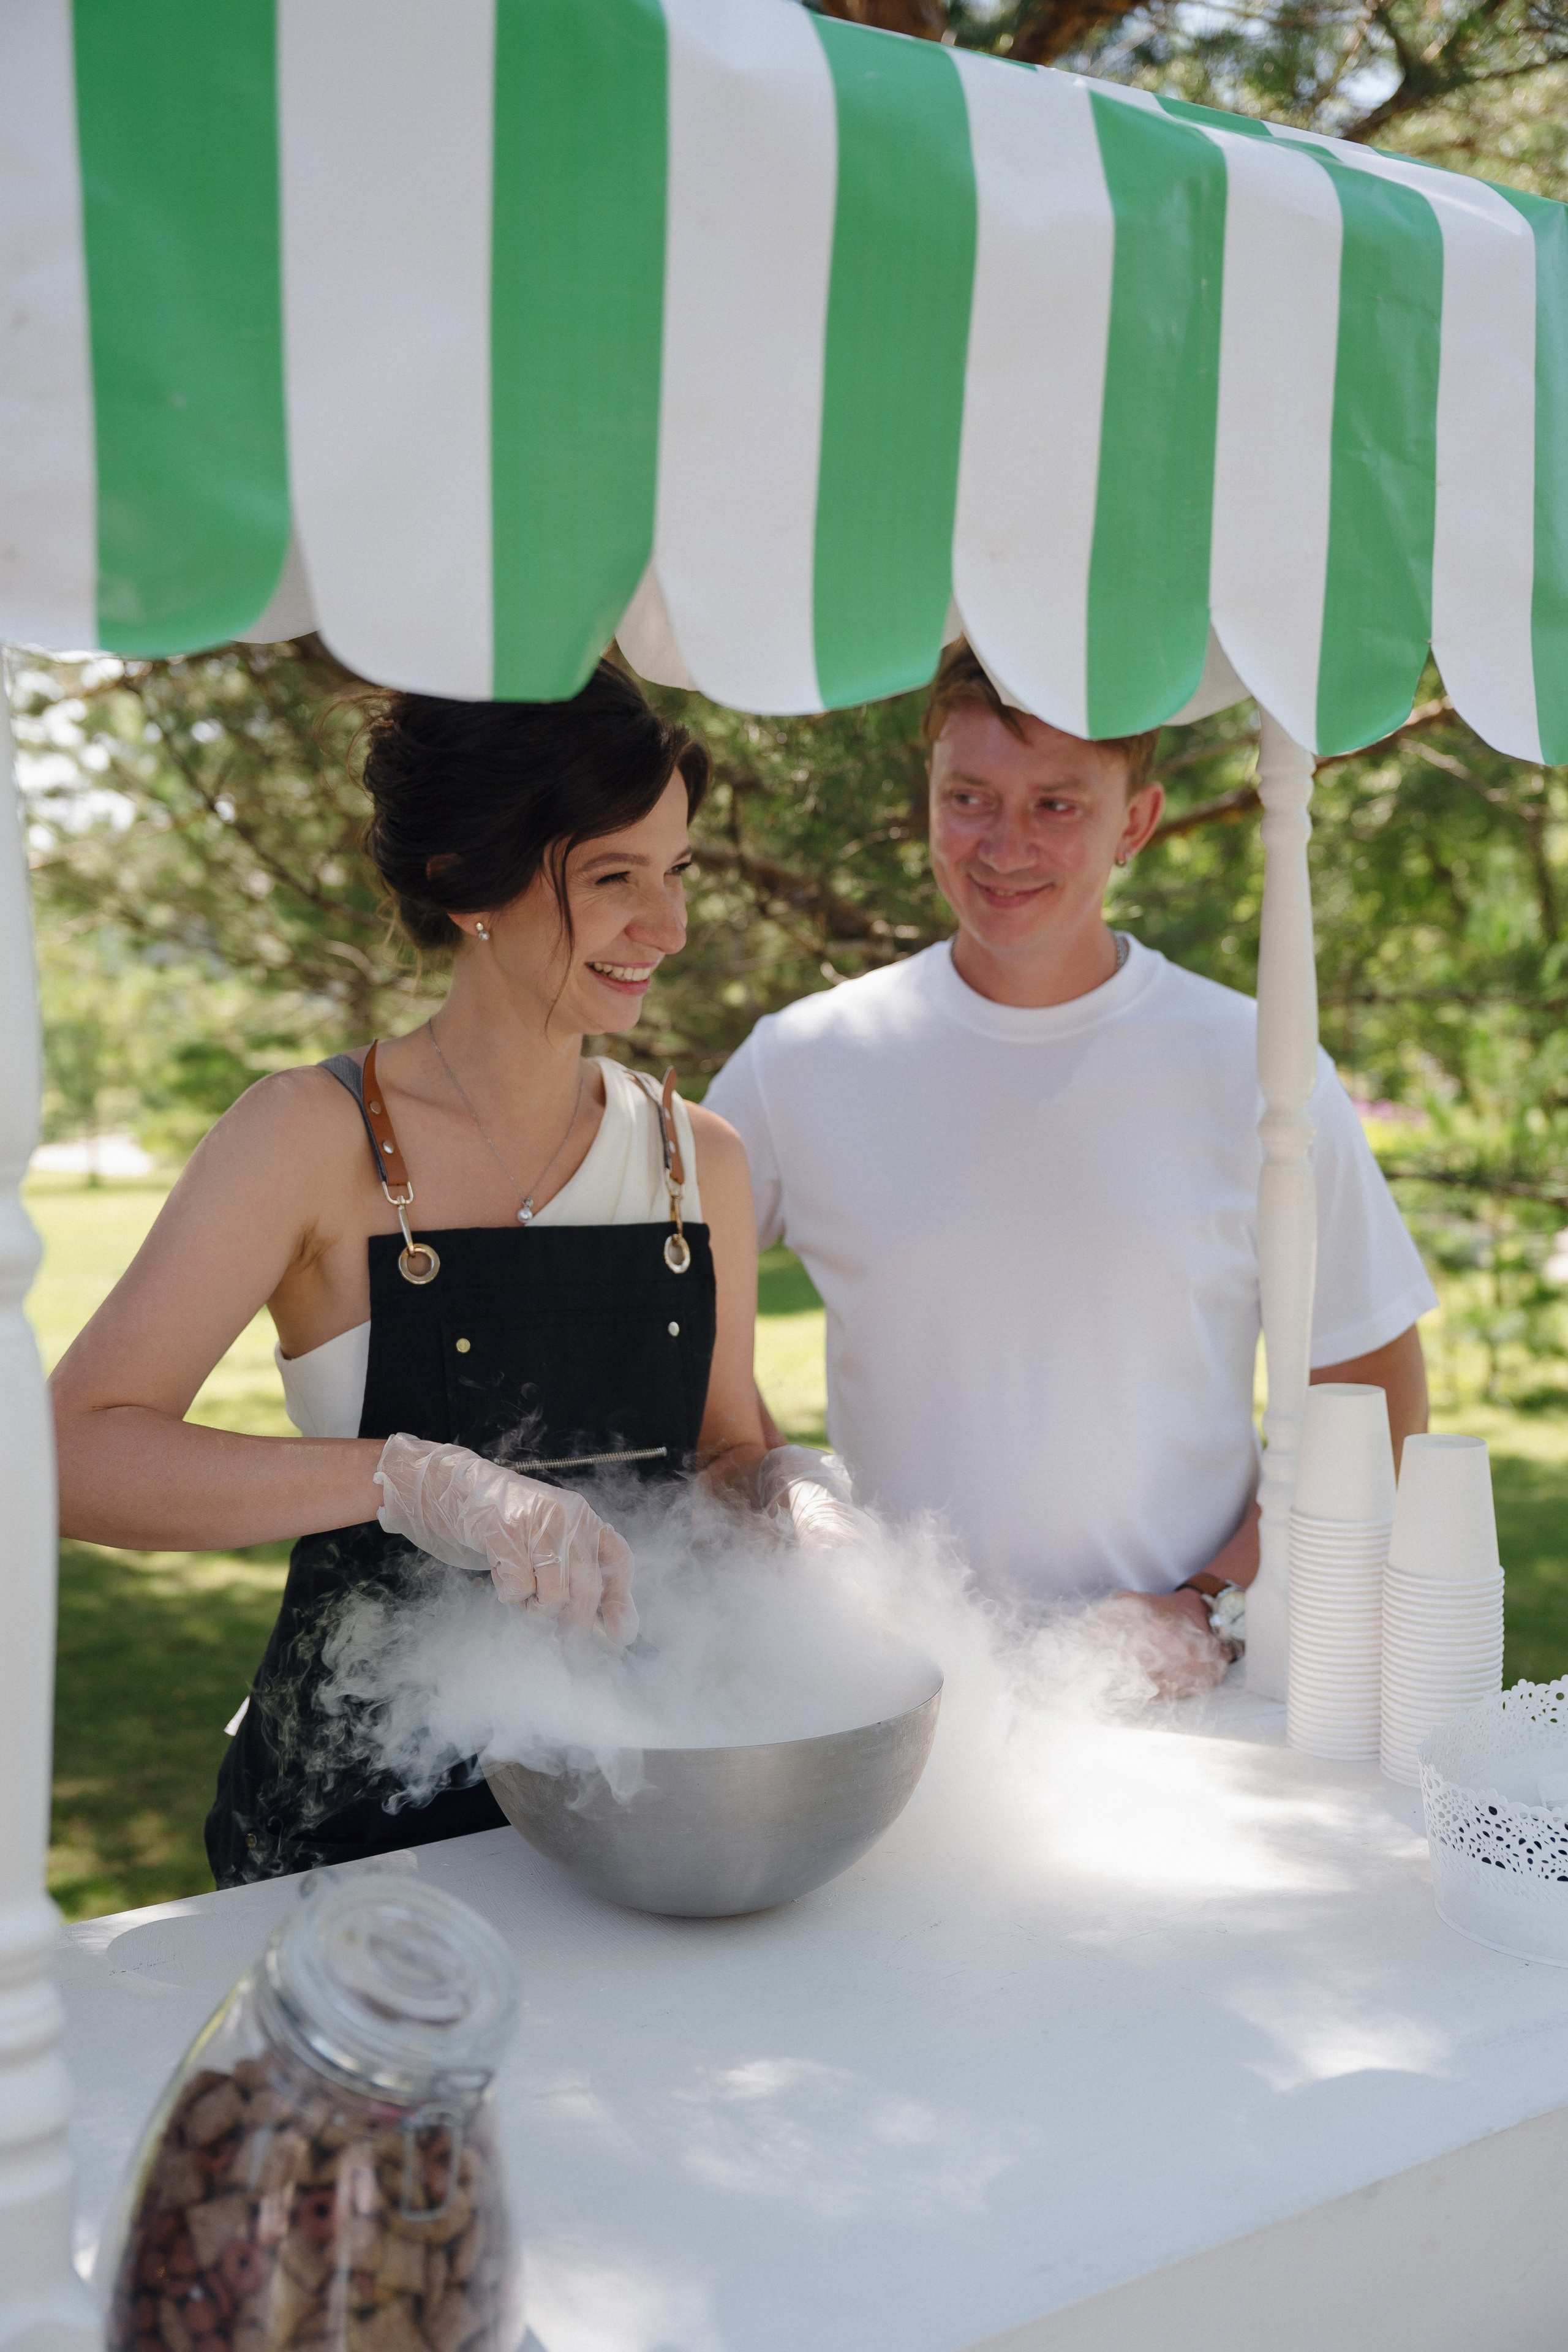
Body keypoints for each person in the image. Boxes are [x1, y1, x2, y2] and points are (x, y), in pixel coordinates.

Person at [51, 663, 843, 1885]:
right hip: (356, 1850)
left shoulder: (702, 1164)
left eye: (676, 869)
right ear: (468, 883)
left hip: (637, 1815)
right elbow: (73, 1453)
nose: (670, 927)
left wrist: (798, 1500)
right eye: (612, 876)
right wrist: (409, 1480)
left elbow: (725, 1445)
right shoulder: (306, 1140)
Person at [706, 643, 1436, 1691]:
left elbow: (1373, 1391)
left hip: (1193, 1707)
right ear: (928, 800)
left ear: (1136, 821)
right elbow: (664, 1314)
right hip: (900, 1703)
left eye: (1057, 804)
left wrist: (1213, 1608)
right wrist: (792, 1504)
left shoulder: (1256, 1065)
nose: (1004, 844)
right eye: (969, 797)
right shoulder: (804, 1062)